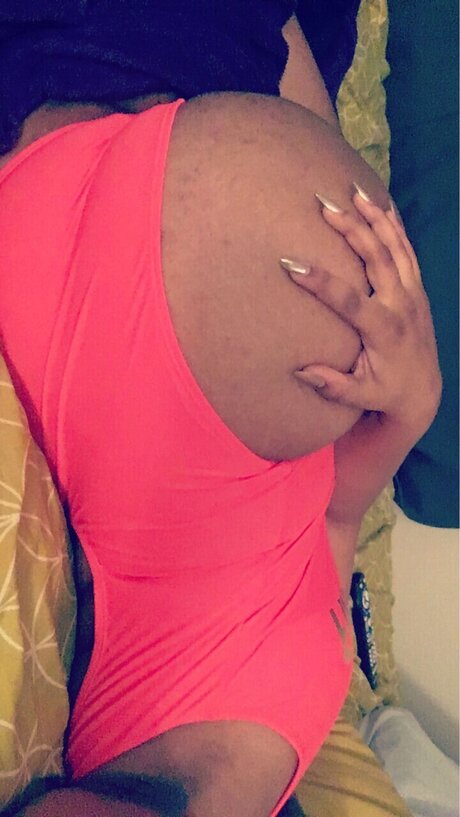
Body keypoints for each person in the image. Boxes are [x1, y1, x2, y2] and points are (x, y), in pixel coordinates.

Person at [0, 4, 441, 817]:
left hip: (82, 100)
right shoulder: (272, 779)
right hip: (215, 88)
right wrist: (416, 404)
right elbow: (329, 526)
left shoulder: (72, 741)